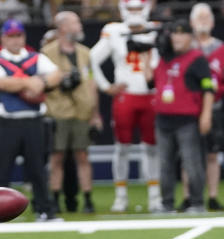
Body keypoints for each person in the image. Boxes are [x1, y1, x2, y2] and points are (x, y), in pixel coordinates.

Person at [0, 19, 61, 221]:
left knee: (37, 170)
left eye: (18, 36)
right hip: (7, 123)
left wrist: (41, 82)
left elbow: (56, 75)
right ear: (3, 38)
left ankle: (45, 210)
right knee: (2, 170)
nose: (15, 41)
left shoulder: (36, 57)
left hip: (33, 121)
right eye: (11, 36)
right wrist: (30, 82)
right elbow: (0, 83)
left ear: (24, 37)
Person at [90, 0, 162, 213]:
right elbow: (92, 59)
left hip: (151, 95)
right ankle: (120, 196)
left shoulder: (156, 29)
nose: (134, 13)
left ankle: (155, 196)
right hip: (126, 96)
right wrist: (105, 86)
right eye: (130, 9)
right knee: (122, 147)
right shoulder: (113, 30)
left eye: (138, 8)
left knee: (152, 147)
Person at [143, 19, 214, 213]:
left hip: (187, 119)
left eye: (182, 33)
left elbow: (209, 89)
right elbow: (151, 83)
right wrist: (146, 58)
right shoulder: (164, 57)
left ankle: (197, 202)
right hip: (163, 118)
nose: (178, 37)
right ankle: (167, 204)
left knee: (192, 162)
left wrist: (206, 115)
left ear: (190, 37)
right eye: (174, 33)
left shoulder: (197, 58)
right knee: (165, 164)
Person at [42, 11, 101, 214]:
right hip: (58, 110)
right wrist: (62, 79)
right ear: (63, 27)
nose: (80, 26)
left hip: (82, 111)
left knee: (83, 156)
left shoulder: (85, 53)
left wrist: (95, 113)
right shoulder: (47, 53)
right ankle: (55, 198)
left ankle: (87, 199)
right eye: (75, 23)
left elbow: (92, 83)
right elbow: (42, 82)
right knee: (57, 157)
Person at [181, 3, 223, 211]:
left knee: (212, 153)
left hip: (215, 106)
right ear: (191, 22)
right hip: (188, 109)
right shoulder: (185, 49)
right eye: (199, 18)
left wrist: (217, 90)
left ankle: (213, 195)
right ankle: (188, 195)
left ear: (214, 23)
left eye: (207, 18)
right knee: (188, 154)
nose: (203, 22)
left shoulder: (221, 49)